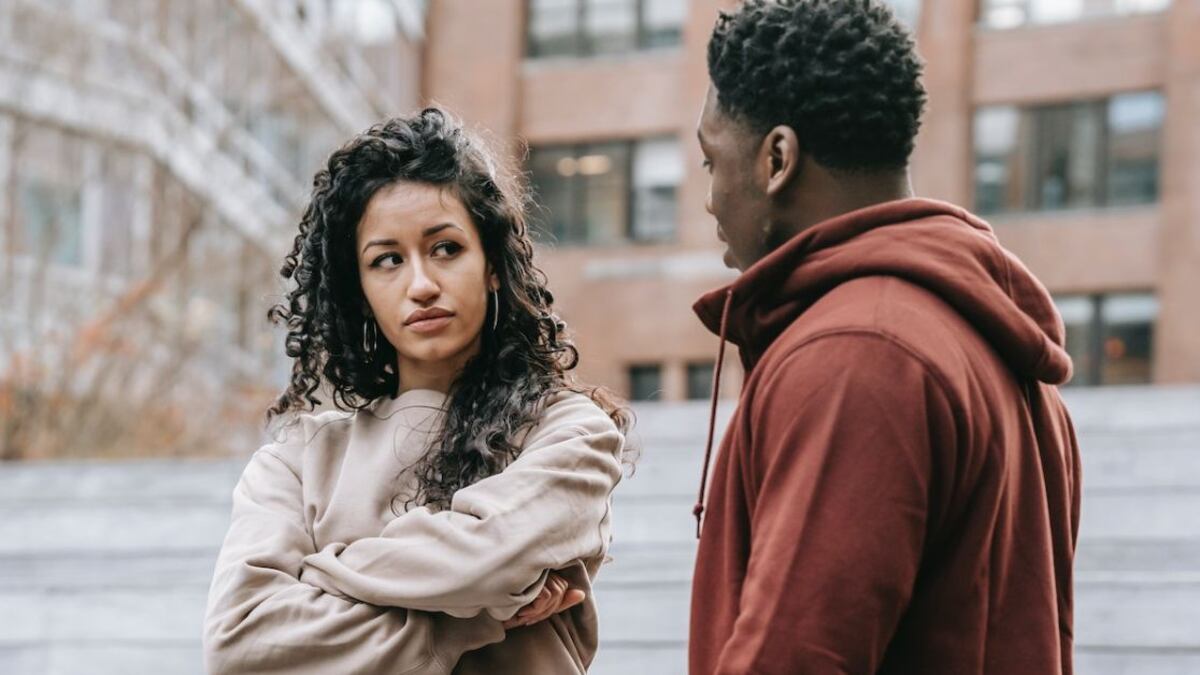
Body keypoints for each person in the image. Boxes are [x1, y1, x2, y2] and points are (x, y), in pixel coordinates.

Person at [688, 1, 1081, 673]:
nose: (709, 198)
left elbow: (796, 655)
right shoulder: (987, 346)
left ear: (776, 158)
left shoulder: (858, 353)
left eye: (709, 162)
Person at [202, 108, 631, 674]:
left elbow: (487, 559)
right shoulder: (296, 461)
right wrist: (474, 616)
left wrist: (322, 574)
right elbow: (241, 645)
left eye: (446, 249)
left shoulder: (569, 435)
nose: (422, 285)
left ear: (493, 265)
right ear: (359, 290)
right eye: (387, 261)